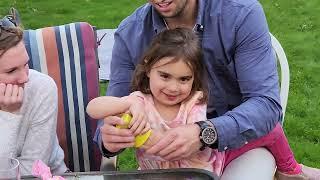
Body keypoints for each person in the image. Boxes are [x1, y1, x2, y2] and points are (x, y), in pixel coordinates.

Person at [90, 28, 320, 179]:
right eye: (165, 76)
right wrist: (129, 104)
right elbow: (94, 108)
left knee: (271, 128)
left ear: (194, 79)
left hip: (205, 170)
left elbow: (188, 142)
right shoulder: (139, 102)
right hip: (157, 176)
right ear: (148, 67)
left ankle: (291, 171)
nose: (173, 87)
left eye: (184, 79)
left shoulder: (193, 102)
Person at [0, 13, 67, 175]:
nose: (25, 77)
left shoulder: (41, 89)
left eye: (25, 64)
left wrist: (10, 115)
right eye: (11, 70)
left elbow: (32, 172)